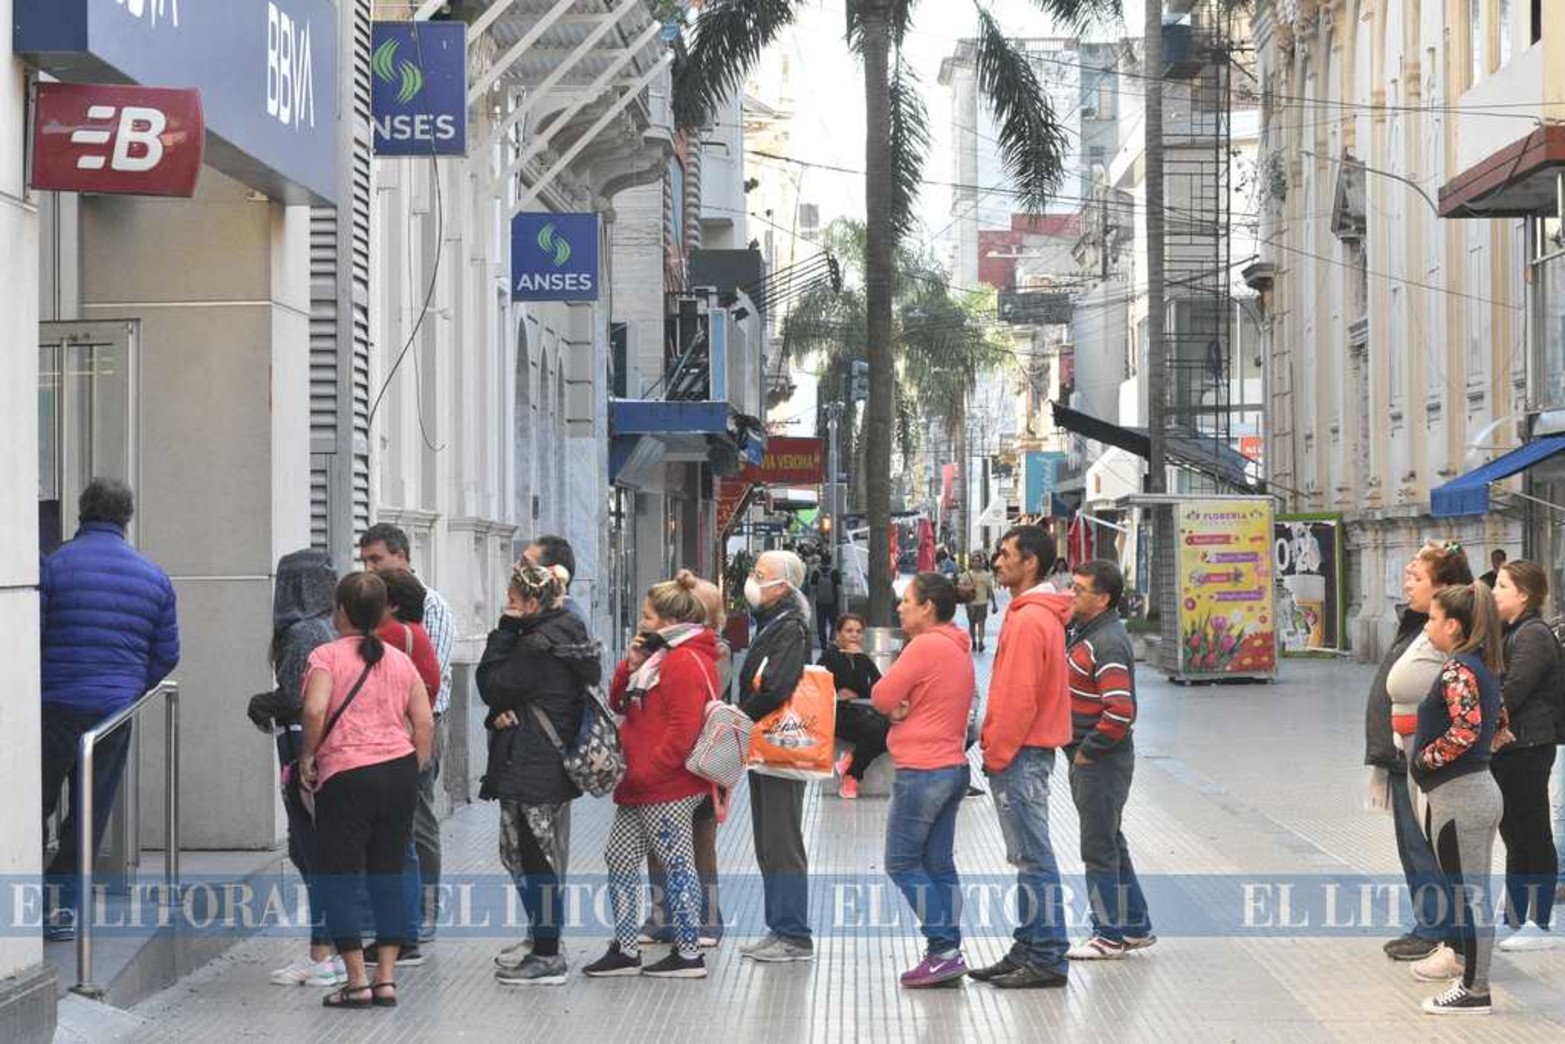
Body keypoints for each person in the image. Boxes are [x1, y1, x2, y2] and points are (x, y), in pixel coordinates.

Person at [40, 478, 179, 941]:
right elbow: (167, 653)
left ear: (82, 514)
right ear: (126, 518)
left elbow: (29, 634)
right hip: (113, 712)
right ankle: (63, 910)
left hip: (53, 703)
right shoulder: (152, 576)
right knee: (90, 809)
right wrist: (130, 687)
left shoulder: (53, 566)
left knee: (29, 803)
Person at [300, 572, 433, 1010]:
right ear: (380, 613)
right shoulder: (398, 659)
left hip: (347, 777)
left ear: (341, 611)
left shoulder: (326, 656)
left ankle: (356, 981)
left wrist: (308, 756)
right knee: (388, 875)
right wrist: (413, 767)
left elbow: (316, 709)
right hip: (397, 774)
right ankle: (387, 980)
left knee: (340, 878)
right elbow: (424, 722)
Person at [586, 575, 720, 980]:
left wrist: (647, 771)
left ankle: (688, 952)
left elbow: (683, 731)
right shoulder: (660, 657)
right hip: (642, 784)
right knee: (621, 856)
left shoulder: (683, 661)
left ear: (668, 619)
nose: (641, 623)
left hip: (666, 785)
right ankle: (627, 948)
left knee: (677, 863)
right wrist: (630, 664)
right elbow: (617, 701)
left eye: (647, 616)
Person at [478, 565, 601, 985]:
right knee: (533, 858)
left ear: (532, 603)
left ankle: (548, 954)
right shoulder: (567, 629)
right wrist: (500, 711)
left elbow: (492, 684)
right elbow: (511, 698)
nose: (508, 607)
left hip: (533, 767)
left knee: (535, 861)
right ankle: (542, 940)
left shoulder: (536, 644)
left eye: (513, 601)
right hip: (543, 763)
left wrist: (502, 630)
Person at [969, 525, 1075, 989]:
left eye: (1006, 554)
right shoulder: (1028, 613)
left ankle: (1048, 954)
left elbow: (1018, 696)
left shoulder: (1031, 618)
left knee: (1033, 857)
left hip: (1022, 753)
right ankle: (1029, 946)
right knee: (1027, 856)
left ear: (1030, 562)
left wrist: (998, 750)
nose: (997, 562)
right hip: (1025, 751)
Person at [870, 572, 975, 987]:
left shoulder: (925, 645)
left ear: (927, 606)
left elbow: (881, 696)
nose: (900, 608)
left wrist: (897, 707)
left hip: (923, 770)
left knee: (901, 862)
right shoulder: (955, 645)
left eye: (907, 601)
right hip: (951, 766)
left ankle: (944, 949)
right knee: (938, 864)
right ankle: (946, 951)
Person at [1408, 582, 1506, 1016]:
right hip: (1474, 790)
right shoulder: (1479, 667)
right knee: (1469, 891)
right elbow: (1499, 723)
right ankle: (1468, 969)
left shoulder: (1458, 670)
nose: (1427, 625)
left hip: (1461, 797)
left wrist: (1425, 761)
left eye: (1432, 618)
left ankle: (1475, 990)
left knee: (1470, 895)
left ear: (1453, 625)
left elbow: (1466, 731)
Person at [248, 549, 344, 987]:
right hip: (312, 753)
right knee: (310, 851)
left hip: (302, 754)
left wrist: (259, 703)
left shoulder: (305, 632)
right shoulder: (325, 627)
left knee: (311, 852)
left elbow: (296, 697)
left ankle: (322, 955)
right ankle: (335, 949)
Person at [359, 523, 454, 944]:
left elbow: (426, 680)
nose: (370, 568)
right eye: (365, 562)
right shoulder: (374, 608)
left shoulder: (429, 608)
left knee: (418, 821)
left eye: (376, 560)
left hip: (420, 726)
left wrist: (417, 739)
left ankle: (425, 910)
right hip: (383, 733)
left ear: (401, 556)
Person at [1377, 541, 1471, 962]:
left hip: (1425, 759)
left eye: (1416, 577)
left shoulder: (1448, 636)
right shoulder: (1418, 624)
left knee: (1426, 846)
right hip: (1403, 755)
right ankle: (1430, 923)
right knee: (1411, 845)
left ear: (1444, 587)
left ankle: (1440, 931)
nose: (1407, 583)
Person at [1062, 560, 1154, 960]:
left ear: (1102, 598)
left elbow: (1119, 710)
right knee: (1110, 840)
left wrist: (1087, 751)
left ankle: (1108, 935)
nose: (1071, 594)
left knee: (1098, 846)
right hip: (1095, 758)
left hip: (1102, 761)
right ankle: (1133, 925)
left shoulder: (1107, 642)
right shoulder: (1086, 633)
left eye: (1079, 589)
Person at [641, 571, 728, 949]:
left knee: (699, 843)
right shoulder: (662, 654)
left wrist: (655, 764)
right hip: (671, 764)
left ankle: (707, 919)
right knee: (661, 846)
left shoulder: (700, 656)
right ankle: (665, 915)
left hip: (695, 767)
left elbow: (685, 720)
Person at [737, 549, 816, 962]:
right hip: (764, 745)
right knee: (768, 840)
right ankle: (779, 925)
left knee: (782, 840)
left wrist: (737, 715)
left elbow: (778, 685)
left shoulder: (790, 626)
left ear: (783, 585)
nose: (753, 579)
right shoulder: (773, 622)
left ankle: (794, 934)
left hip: (779, 746)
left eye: (761, 574)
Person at [1489, 560, 1560, 951]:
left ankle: (1541, 921)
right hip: (1511, 747)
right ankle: (1515, 918)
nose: (1495, 592)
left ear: (1524, 594)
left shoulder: (1532, 635)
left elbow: (1512, 692)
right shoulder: (1511, 631)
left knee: (1533, 831)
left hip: (1529, 746)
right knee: (1514, 834)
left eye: (1502, 585)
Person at [820, 614, 887, 800]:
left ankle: (851, 770)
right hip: (838, 714)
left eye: (858, 632)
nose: (854, 635)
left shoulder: (861, 657)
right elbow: (820, 689)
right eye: (849, 631)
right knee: (876, 729)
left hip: (862, 712)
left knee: (890, 729)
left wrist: (859, 659)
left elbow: (879, 686)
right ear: (838, 633)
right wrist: (839, 695)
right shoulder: (829, 657)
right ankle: (852, 776)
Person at [524, 535, 589, 626]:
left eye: (525, 563)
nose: (516, 567)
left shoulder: (563, 623)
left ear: (552, 575)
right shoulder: (554, 614)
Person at [957, 550, 997, 653]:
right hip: (970, 603)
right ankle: (973, 641)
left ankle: (980, 642)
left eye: (978, 561)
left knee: (981, 623)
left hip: (982, 603)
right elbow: (960, 587)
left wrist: (994, 604)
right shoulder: (966, 575)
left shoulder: (986, 575)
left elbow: (990, 590)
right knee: (971, 624)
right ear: (971, 562)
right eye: (974, 561)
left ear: (982, 562)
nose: (976, 563)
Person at [810, 553, 842, 650]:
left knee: (821, 625)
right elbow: (839, 588)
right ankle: (831, 641)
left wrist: (812, 601)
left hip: (820, 603)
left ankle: (823, 645)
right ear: (830, 560)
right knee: (834, 623)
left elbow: (813, 588)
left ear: (821, 561)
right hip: (833, 603)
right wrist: (839, 602)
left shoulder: (816, 572)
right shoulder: (835, 572)